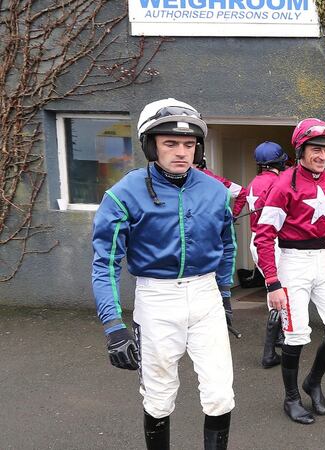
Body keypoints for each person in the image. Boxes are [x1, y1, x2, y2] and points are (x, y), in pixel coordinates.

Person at [91, 98, 236, 449]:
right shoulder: (123, 194)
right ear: (150, 145)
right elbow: (105, 263)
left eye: (188, 144)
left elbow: (226, 247)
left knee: (220, 394)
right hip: (157, 298)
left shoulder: (216, 191)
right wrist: (113, 326)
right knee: (158, 396)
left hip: (206, 298)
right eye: (170, 143)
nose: (181, 152)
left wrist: (226, 296)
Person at [251, 118, 325, 425]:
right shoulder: (283, 185)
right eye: (315, 149)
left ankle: (313, 382)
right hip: (292, 262)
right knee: (295, 335)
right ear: (301, 149)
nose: (322, 156)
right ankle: (291, 398)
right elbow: (264, 234)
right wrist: (272, 282)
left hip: (324, 262)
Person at [242, 141, 289, 369]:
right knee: (280, 294)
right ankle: (271, 352)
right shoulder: (278, 181)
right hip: (272, 242)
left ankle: (280, 337)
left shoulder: (254, 181)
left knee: (276, 293)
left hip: (256, 240)